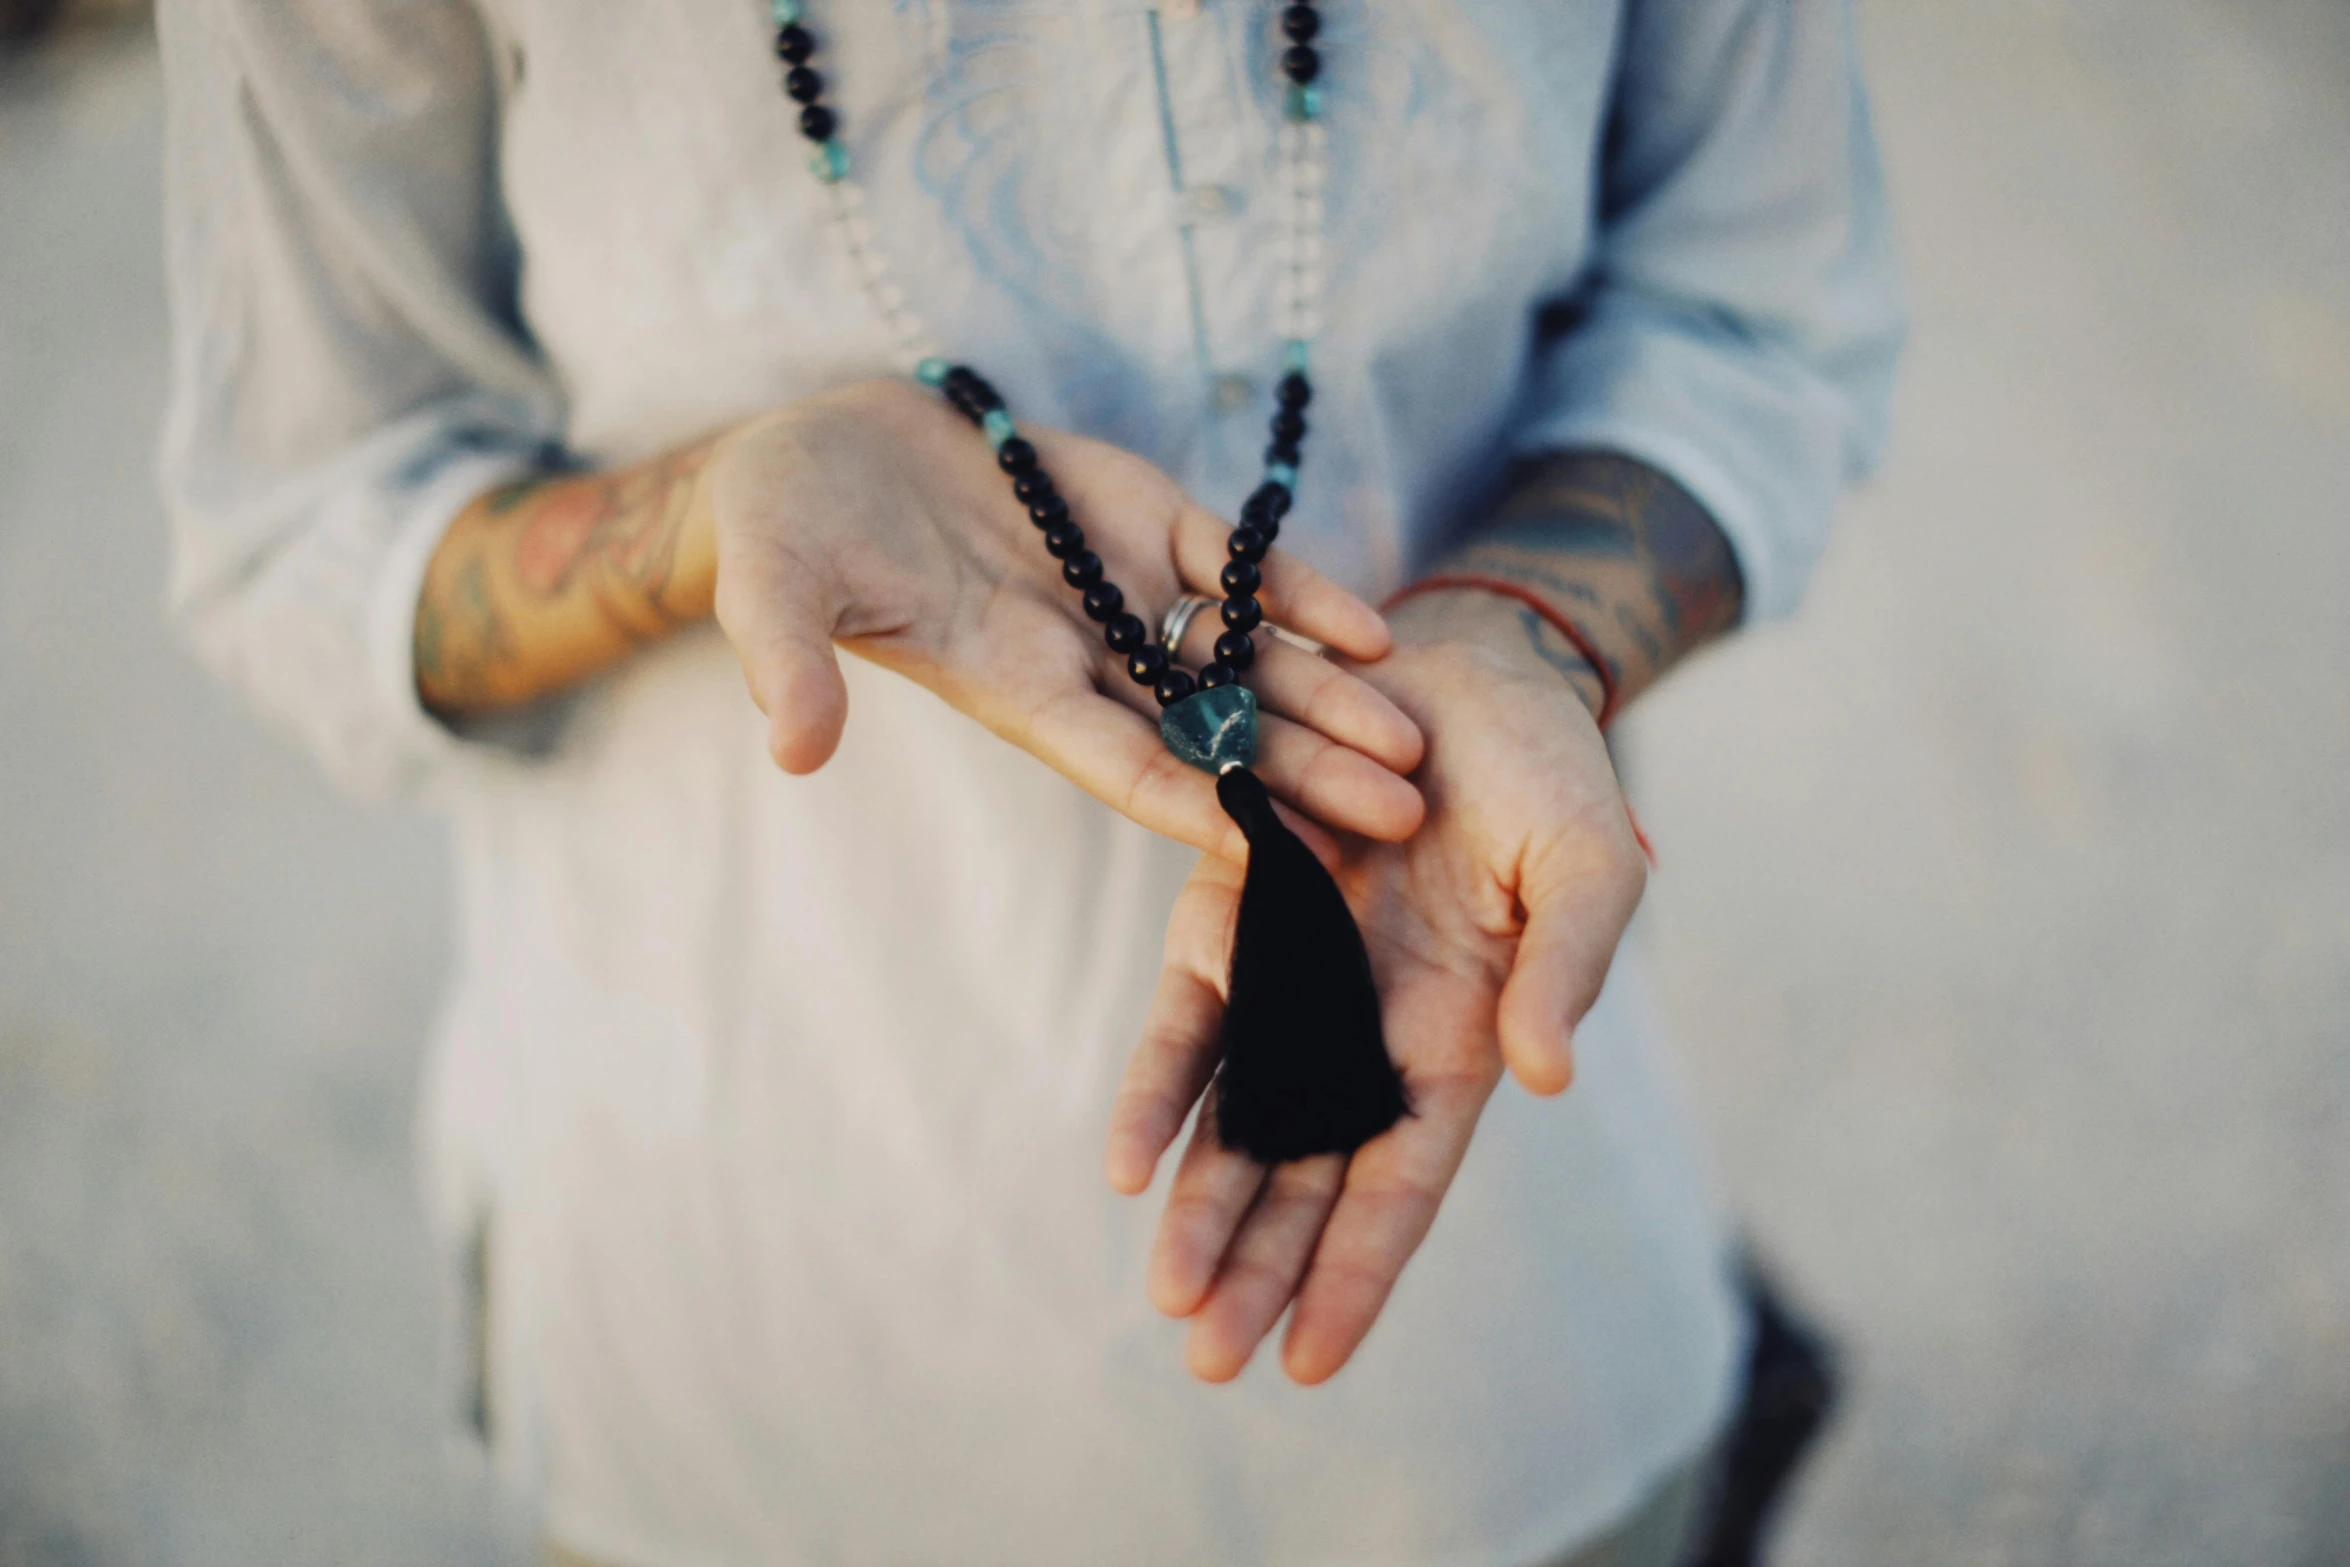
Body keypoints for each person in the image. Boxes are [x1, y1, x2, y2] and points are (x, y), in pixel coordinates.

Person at [158, 2, 1902, 1563]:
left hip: (1495, 1334)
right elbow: (303, 529)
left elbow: (1754, 309)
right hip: (754, 1346)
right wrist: (705, 517)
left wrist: (1524, 627)